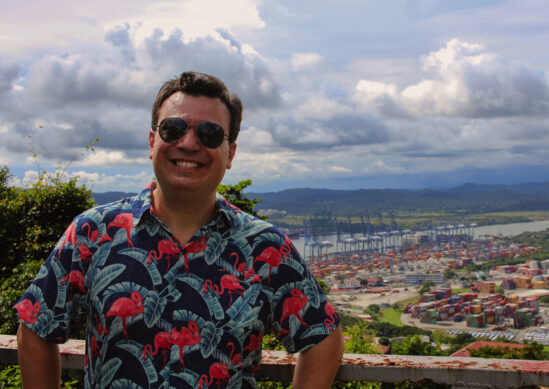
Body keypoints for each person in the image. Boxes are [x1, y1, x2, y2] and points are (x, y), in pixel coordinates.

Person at [15, 71, 344, 388]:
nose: (188, 143)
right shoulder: (93, 233)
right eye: (173, 129)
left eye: (209, 134)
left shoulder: (264, 247)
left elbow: (323, 337)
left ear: (230, 153)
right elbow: (34, 325)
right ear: (152, 141)